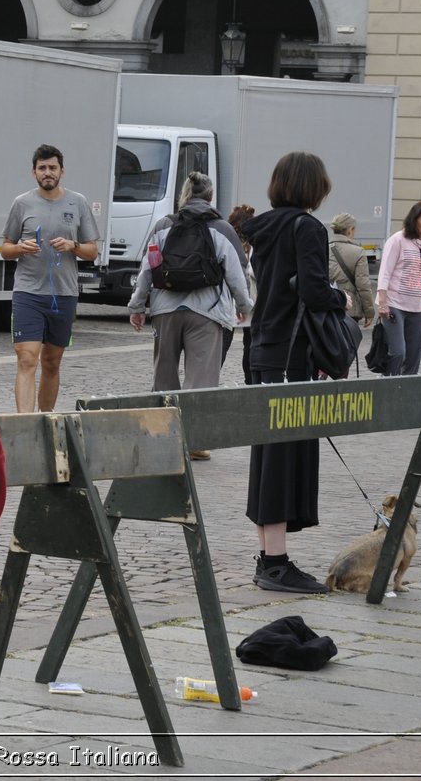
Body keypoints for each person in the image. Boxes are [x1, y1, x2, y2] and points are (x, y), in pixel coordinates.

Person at [240, 151, 348, 593]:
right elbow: (313, 289)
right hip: (290, 353)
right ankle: (277, 564)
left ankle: (270, 557)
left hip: (264, 347)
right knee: (283, 458)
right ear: (312, 188)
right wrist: (339, 298)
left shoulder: (263, 226)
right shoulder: (306, 228)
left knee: (269, 456)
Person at [127, 172, 252, 462]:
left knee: (164, 375)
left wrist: (137, 306)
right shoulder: (222, 228)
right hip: (206, 313)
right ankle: (196, 441)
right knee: (201, 379)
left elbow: (148, 268)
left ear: (184, 195)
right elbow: (236, 272)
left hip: (165, 310)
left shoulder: (163, 226)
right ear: (210, 196)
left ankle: (161, 437)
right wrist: (244, 304)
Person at [1, 145, 99, 412]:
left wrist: (73, 246)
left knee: (52, 362)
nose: (48, 173)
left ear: (62, 171)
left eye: (52, 168)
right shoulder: (22, 203)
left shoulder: (77, 202)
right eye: (42, 168)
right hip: (28, 293)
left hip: (63, 295)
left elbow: (93, 250)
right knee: (26, 359)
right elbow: (5, 249)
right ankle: (26, 423)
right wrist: (21, 248)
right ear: (34, 172)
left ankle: (46, 420)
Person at [375, 202, 421, 377]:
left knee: (413, 356)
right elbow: (385, 273)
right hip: (394, 304)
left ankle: (406, 390)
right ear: (415, 220)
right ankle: (388, 385)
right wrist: (382, 302)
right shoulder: (397, 240)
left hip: (418, 306)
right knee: (398, 352)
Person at [221, 203, 257, 382]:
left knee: (242, 345)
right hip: (244, 302)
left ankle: (249, 381)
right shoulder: (252, 244)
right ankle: (249, 381)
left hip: (239, 302)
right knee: (247, 346)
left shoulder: (227, 241)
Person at [327, 212, 375, 332]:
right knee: (349, 345)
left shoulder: (323, 248)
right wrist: (369, 312)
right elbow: (363, 286)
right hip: (350, 308)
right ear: (350, 230)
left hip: (327, 304)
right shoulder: (358, 252)